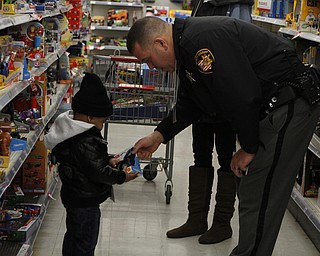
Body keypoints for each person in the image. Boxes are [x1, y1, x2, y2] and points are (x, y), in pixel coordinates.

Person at [127, 16, 320, 256]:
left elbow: (241, 96)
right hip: (276, 108)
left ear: (161, 44)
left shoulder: (201, 43)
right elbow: (191, 103)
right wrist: (159, 135)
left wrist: (248, 148)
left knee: (259, 192)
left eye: (148, 60)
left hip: (290, 104)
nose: (151, 68)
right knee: (253, 190)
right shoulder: (187, 49)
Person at [165, 0, 254, 245]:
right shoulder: (202, 3)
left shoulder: (238, 6)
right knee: (200, 154)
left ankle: (222, 223)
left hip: (224, 98)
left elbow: (238, 50)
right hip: (199, 96)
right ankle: (196, 219)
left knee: (226, 158)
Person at [44, 73, 138, 256]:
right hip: (85, 200)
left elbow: (86, 162)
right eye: (102, 121)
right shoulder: (85, 139)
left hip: (75, 197)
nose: (102, 126)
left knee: (74, 238)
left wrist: (109, 159)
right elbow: (97, 171)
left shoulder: (72, 133)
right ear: (89, 118)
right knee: (85, 243)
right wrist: (121, 177)